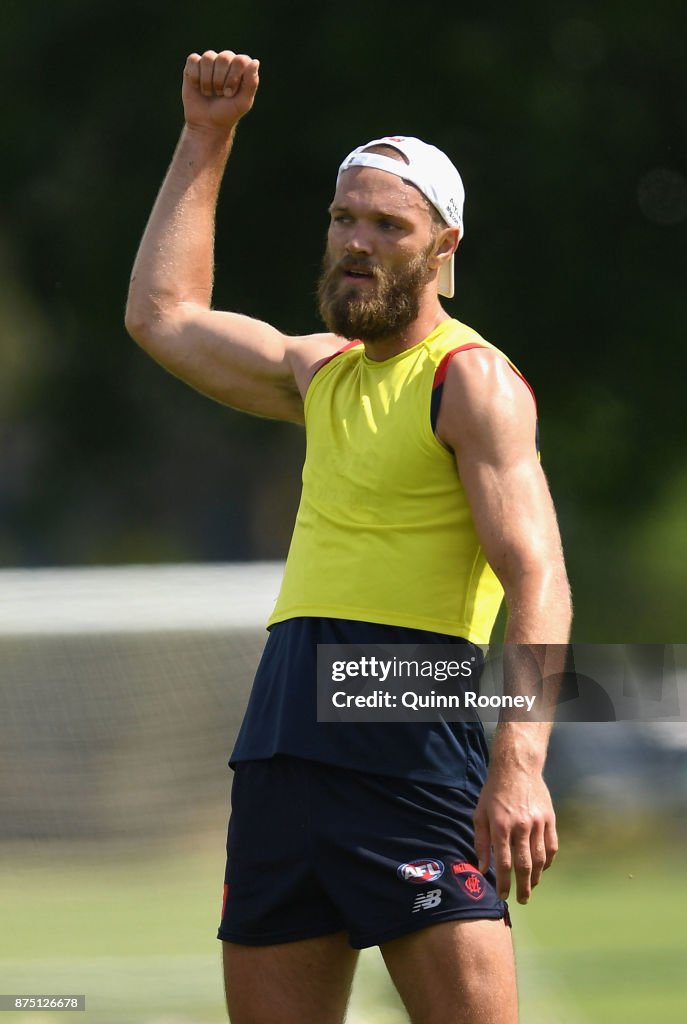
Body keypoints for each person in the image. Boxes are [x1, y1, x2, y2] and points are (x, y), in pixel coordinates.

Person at [125, 49, 572, 1024]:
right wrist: (206, 136)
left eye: (387, 225)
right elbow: (162, 316)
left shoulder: (470, 380)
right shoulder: (320, 370)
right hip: (282, 738)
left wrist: (520, 764)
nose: (358, 242)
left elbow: (539, 577)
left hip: (407, 732)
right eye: (343, 220)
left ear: (442, 245)